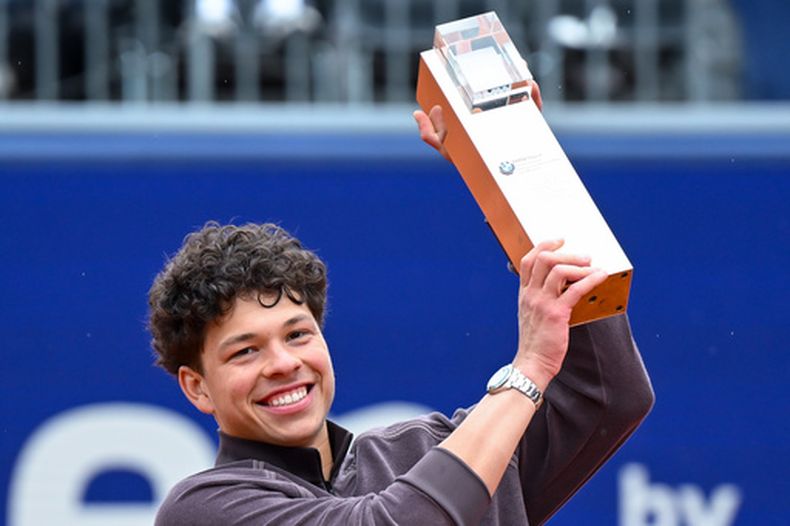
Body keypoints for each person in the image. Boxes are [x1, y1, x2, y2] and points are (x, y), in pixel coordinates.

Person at [149, 90, 653, 525]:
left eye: (298, 334)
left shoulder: (425, 447)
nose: (283, 363)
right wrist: (529, 369)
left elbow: (608, 396)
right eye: (245, 352)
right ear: (197, 387)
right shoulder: (204, 508)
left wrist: (519, 182)